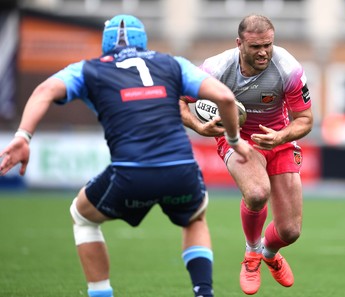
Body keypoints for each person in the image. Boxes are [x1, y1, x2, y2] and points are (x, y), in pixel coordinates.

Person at [0, 14, 253, 297]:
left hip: (132, 172)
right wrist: (234, 140)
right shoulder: (173, 63)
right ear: (143, 39)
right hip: (180, 169)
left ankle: (101, 293)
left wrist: (23, 137)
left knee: (82, 217)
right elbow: (227, 99)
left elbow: (45, 90)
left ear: (105, 43)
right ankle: (203, 292)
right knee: (194, 218)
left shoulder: (88, 69)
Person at [180, 14, 313, 295]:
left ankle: (268, 251)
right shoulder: (216, 68)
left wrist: (280, 136)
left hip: (278, 138)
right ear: (239, 43)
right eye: (255, 47)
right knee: (256, 192)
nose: (263, 52)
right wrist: (200, 127)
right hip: (236, 138)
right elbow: (179, 99)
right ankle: (252, 254)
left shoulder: (288, 68)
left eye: (268, 45)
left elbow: (305, 119)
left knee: (290, 231)